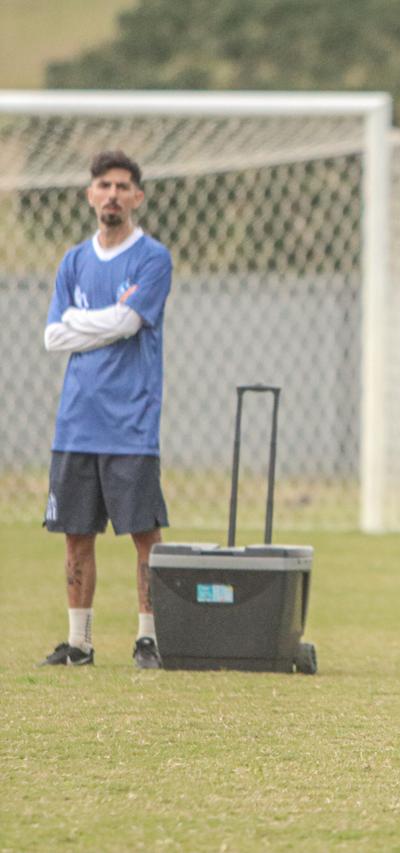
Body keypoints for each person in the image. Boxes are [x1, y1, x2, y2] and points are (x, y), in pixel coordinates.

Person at [40, 150, 173, 670]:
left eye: (122, 186)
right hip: (76, 423)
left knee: (145, 536)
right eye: (104, 185)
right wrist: (100, 321)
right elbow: (53, 337)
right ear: (90, 195)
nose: (112, 194)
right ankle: (79, 644)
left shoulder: (152, 258)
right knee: (76, 536)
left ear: (137, 196)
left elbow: (128, 322)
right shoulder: (74, 261)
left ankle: (148, 639)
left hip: (130, 423)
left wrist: (81, 320)